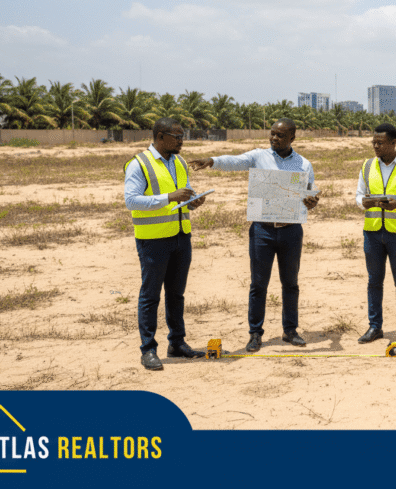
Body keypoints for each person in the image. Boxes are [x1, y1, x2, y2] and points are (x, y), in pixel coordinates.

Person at [189, 119, 319, 353]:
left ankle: (290, 330)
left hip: (291, 230)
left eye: (280, 136)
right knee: (258, 284)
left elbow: (309, 192)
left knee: (291, 283)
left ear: (293, 139)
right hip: (262, 230)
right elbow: (235, 161)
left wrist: (312, 201)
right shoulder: (259, 156)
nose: (274, 139)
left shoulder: (304, 163)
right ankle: (255, 334)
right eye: (272, 134)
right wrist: (212, 161)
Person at [124, 118, 207, 371]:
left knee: (176, 294)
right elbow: (132, 201)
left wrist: (192, 200)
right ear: (161, 137)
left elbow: (185, 190)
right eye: (177, 136)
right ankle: (148, 349)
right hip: (153, 240)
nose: (182, 140)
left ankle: (177, 343)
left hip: (181, 236)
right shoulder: (138, 164)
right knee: (150, 296)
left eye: (183, 136)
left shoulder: (179, 162)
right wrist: (168, 198)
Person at [354, 123, 396, 345]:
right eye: (373, 142)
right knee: (374, 281)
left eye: (380, 142)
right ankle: (375, 327)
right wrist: (362, 203)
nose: (375, 145)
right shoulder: (366, 166)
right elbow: (358, 195)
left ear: (393, 143)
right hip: (372, 232)